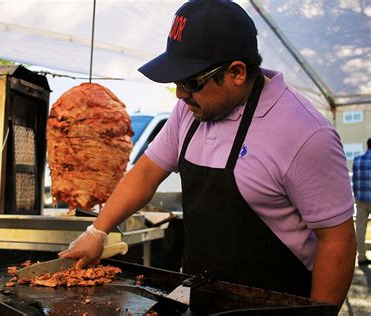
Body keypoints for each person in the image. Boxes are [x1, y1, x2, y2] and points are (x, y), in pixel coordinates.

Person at [59, 0, 356, 309]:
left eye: (190, 82)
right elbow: (147, 171)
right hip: (202, 297)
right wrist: (98, 231)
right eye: (177, 81)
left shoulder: (305, 134)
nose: (180, 94)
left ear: (237, 72)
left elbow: (337, 239)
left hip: (276, 304)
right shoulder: (188, 112)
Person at [352, 138, 371, 266]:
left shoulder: (357, 160)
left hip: (361, 199)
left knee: (360, 228)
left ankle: (361, 257)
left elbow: (355, 181)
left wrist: (357, 196)